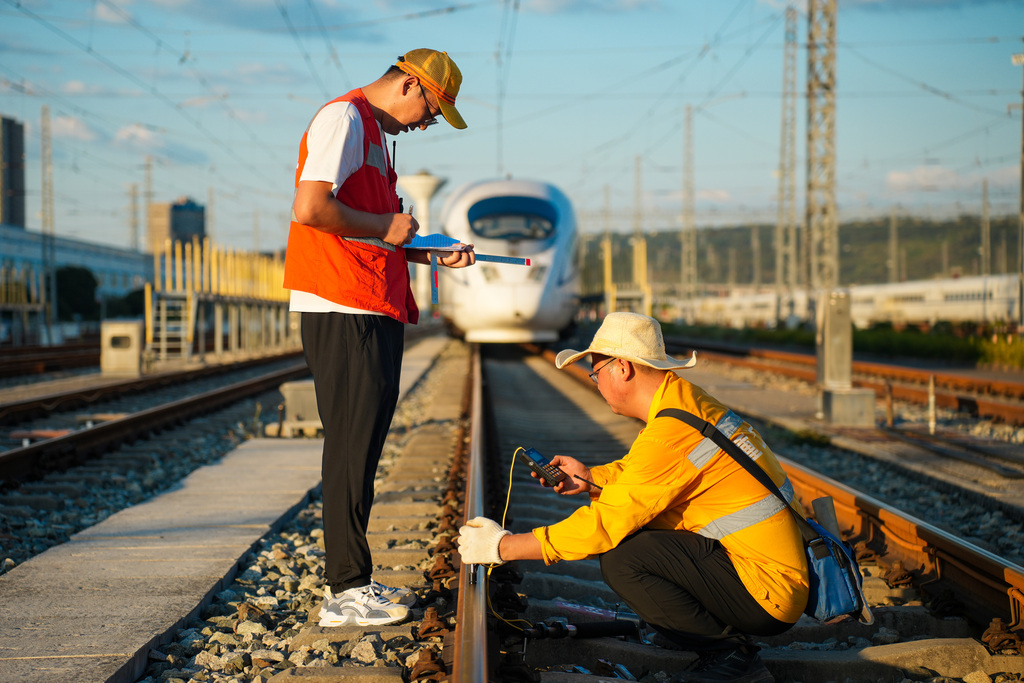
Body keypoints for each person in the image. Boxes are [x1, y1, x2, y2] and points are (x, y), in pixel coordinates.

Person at [457, 312, 808, 683]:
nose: (595, 383)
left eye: (596, 373)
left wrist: (504, 547)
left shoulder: (670, 432)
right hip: (765, 570)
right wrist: (591, 480)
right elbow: (644, 477)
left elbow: (605, 525)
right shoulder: (683, 404)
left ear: (622, 368)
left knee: (623, 556)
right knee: (635, 539)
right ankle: (708, 635)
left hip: (769, 592)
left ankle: (732, 658)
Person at [283, 49, 475, 627]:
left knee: (361, 442)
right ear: (411, 85)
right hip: (343, 302)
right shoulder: (343, 118)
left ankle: (355, 580)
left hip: (366, 299)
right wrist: (387, 227)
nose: (426, 124)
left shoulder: (371, 132)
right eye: (431, 112)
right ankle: (344, 591)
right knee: (350, 442)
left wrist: (422, 248)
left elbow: (366, 229)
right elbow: (311, 207)